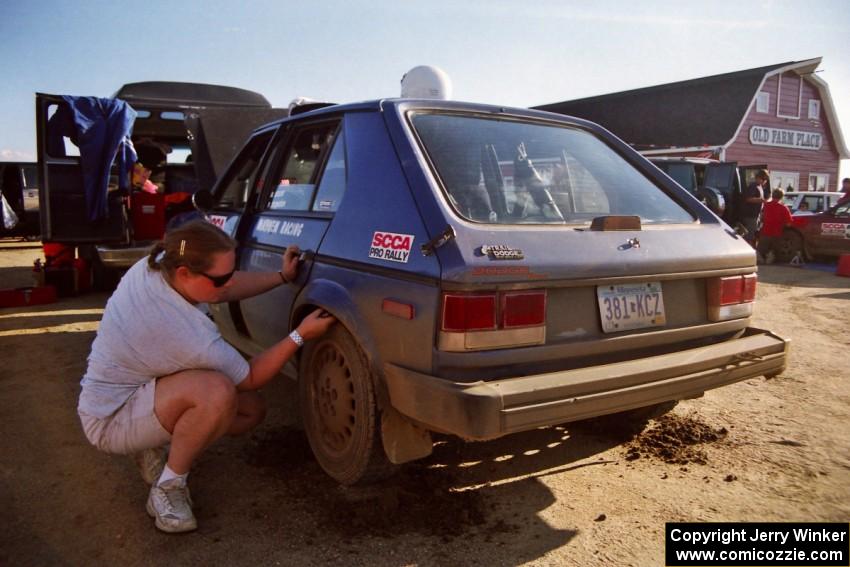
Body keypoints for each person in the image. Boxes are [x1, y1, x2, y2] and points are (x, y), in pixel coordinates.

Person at [77, 220, 335, 533]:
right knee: (216, 394)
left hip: (138, 387)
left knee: (250, 411)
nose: (228, 282)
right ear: (186, 273)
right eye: (221, 277)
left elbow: (226, 285)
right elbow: (251, 377)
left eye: (230, 272)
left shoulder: (161, 264)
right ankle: (167, 489)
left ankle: (154, 441)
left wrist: (281, 277)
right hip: (109, 419)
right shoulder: (181, 330)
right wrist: (300, 335)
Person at [757, 188, 794, 264]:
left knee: (761, 249)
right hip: (777, 233)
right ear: (781, 197)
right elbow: (789, 223)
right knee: (774, 249)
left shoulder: (766, 205)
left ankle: (760, 258)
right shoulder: (784, 208)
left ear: (772, 195)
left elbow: (761, 217)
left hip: (765, 231)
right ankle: (769, 258)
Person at [740, 170, 769, 247]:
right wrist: (762, 200)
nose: (765, 181)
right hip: (750, 216)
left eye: (766, 180)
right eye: (764, 179)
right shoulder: (753, 186)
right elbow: (748, 199)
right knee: (750, 235)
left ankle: (753, 250)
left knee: (755, 234)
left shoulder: (760, 187)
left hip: (756, 215)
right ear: (759, 178)